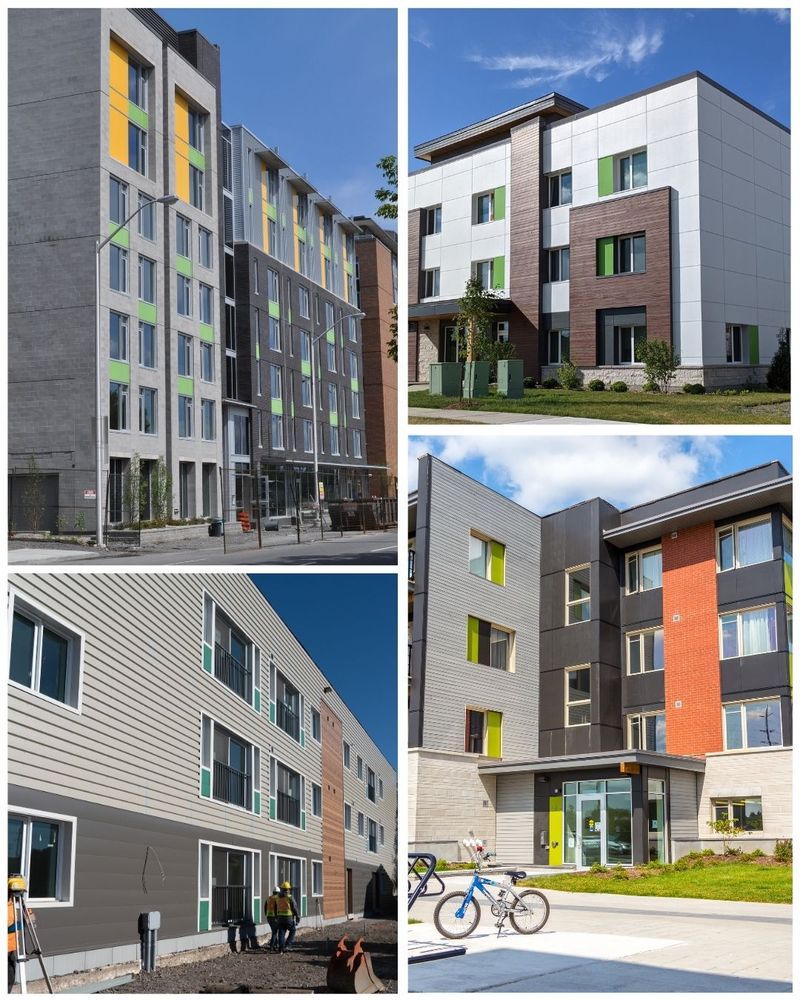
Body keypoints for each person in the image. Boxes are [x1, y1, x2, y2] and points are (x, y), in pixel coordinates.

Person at [275, 881, 299, 954]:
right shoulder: (289, 897)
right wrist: (298, 916)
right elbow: (294, 908)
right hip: (288, 917)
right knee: (293, 930)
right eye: (288, 889)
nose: (289, 890)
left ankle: (281, 948)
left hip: (280, 917)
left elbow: (275, 908)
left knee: (281, 932)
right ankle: (287, 945)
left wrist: (276, 917)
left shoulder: (277, 897)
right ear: (288, 889)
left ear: (282, 889)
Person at [264, 886, 281, 953]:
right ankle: (271, 946)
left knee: (274, 931)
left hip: (269, 917)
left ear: (273, 892)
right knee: (274, 932)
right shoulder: (277, 898)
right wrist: (277, 917)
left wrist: (266, 914)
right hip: (275, 917)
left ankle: (275, 945)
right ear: (278, 892)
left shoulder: (269, 898)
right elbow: (277, 908)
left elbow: (265, 907)